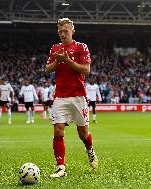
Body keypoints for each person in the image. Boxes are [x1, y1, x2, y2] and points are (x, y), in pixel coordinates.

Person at [45, 18, 98, 178]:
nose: (62, 34)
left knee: (83, 134)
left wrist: (67, 60)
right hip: (60, 96)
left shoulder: (81, 47)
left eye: (65, 31)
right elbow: (47, 69)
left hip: (79, 96)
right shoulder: (55, 48)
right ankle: (61, 167)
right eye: (60, 31)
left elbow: (86, 70)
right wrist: (57, 62)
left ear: (72, 31)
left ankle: (90, 150)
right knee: (58, 130)